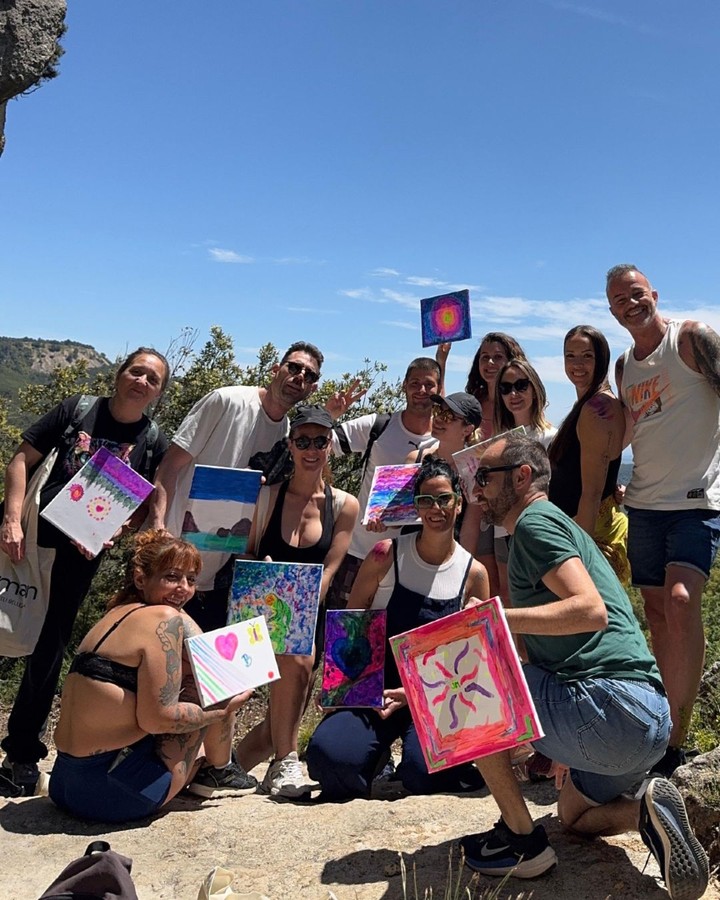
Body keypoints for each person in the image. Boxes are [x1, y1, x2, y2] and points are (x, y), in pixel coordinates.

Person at [459, 434, 708, 900]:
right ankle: (647, 814)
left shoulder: (534, 523)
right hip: (648, 719)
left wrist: (492, 618)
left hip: (609, 707)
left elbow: (590, 610)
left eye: (485, 478)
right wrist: (557, 731)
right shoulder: (553, 525)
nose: (477, 489)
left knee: (473, 683)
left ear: (521, 476)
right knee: (571, 816)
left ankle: (520, 843)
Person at [0, 348, 170, 797]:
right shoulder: (77, 410)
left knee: (46, 650)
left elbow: (140, 502)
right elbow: (21, 461)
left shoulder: (152, 439)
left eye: (153, 379)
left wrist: (119, 528)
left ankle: (20, 753)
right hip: (25, 539)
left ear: (158, 392)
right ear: (120, 374)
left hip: (78, 557)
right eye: (137, 371)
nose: (142, 381)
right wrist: (11, 519)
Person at [306, 456, 489, 801]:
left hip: (436, 700)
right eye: (426, 500)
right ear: (416, 506)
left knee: (422, 775)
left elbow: (473, 663)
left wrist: (413, 696)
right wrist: (340, 688)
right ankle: (371, 758)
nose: (435, 508)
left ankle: (436, 761)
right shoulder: (385, 555)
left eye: (444, 498)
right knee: (329, 760)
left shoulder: (474, 574)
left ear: (459, 502)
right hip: (374, 692)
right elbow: (352, 623)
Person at [49, 530, 252, 822]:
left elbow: (204, 653)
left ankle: (216, 768)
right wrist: (220, 712)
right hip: (110, 794)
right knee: (213, 684)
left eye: (191, 580)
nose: (183, 588)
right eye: (172, 577)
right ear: (141, 579)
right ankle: (219, 770)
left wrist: (182, 619)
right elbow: (158, 719)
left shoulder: (118, 612)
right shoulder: (164, 619)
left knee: (203, 672)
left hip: (65, 782)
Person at [608, 263, 720, 777]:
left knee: (681, 602)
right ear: (612, 311)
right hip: (645, 504)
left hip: (697, 501)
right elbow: (633, 430)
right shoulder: (624, 366)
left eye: (636, 293)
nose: (630, 304)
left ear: (653, 293)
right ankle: (663, 723)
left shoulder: (692, 339)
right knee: (655, 613)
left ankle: (678, 735)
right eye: (618, 300)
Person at [146, 342, 324, 636]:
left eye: (309, 374)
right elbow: (169, 467)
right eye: (293, 367)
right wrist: (157, 526)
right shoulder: (226, 401)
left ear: (312, 388)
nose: (299, 376)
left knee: (193, 674)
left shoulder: (287, 433)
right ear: (275, 369)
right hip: (170, 558)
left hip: (214, 577)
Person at [235, 405, 359, 798]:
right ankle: (283, 765)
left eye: (319, 441)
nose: (311, 449)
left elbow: (328, 572)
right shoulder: (267, 498)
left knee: (282, 717)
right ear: (290, 445)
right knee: (298, 662)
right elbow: (247, 557)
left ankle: (229, 766)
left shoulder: (344, 506)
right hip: (258, 619)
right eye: (302, 440)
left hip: (307, 617)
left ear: (329, 446)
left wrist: (297, 602)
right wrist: (270, 579)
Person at [324, 358, 440, 609]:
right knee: (344, 636)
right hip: (361, 552)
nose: (421, 390)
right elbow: (320, 444)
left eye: (429, 385)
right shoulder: (378, 426)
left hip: (412, 563)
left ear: (439, 390)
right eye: (415, 383)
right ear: (404, 387)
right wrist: (328, 415)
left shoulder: (444, 440)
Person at [548, 325, 629, 583]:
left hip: (587, 541)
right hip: (578, 531)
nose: (577, 364)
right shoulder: (589, 404)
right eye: (570, 356)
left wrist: (579, 558)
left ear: (601, 359)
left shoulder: (598, 408)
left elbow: (591, 494)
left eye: (587, 356)